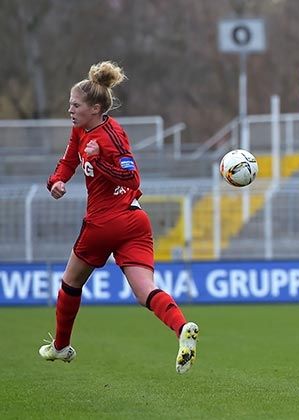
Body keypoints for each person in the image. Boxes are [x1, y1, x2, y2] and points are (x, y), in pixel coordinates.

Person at [38, 61, 199, 374]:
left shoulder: (111, 137)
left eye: (75, 105)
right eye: (70, 104)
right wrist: (57, 181)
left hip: (104, 222)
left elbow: (132, 178)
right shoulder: (81, 130)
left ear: (95, 108)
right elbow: (69, 160)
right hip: (134, 221)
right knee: (144, 291)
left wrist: (100, 163)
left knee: (70, 283)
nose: (70, 109)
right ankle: (182, 329)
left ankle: (60, 346)